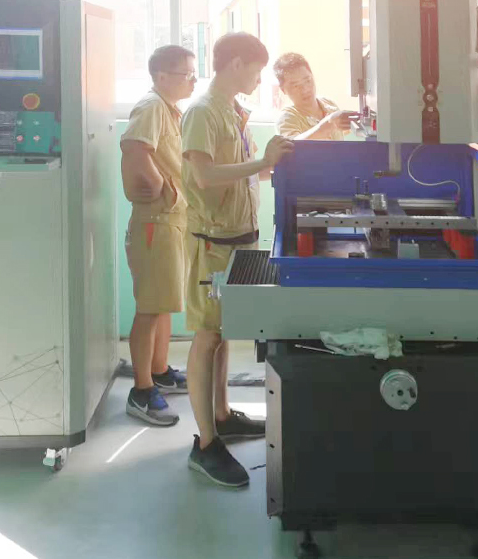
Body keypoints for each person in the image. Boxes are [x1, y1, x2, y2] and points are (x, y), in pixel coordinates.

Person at [181, 32, 294, 487]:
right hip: (212, 244)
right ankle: (206, 444)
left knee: (223, 331)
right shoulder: (202, 112)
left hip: (237, 238)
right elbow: (205, 176)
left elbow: (241, 174)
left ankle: (223, 415)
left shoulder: (231, 111)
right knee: (207, 335)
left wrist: (276, 165)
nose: (259, 79)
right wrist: (261, 162)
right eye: (256, 70)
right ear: (235, 64)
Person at [120, 45, 197, 427]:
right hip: (156, 220)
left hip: (170, 219)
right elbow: (135, 147)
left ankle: (160, 370)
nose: (193, 81)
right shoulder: (151, 106)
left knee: (163, 300)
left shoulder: (170, 110)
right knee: (149, 307)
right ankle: (141, 390)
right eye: (187, 74)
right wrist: (160, 188)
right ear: (162, 76)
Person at [273, 52, 359, 140]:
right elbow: (292, 144)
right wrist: (328, 125)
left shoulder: (329, 104)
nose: (305, 89)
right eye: (296, 86)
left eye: (308, 80)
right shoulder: (287, 119)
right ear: (283, 90)